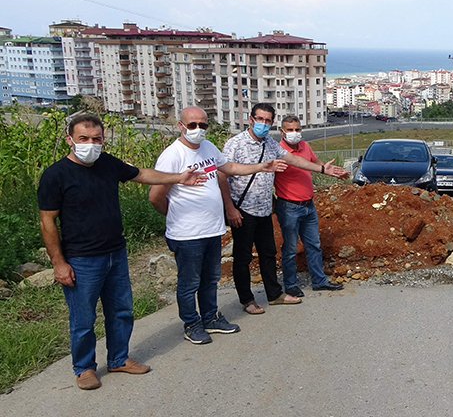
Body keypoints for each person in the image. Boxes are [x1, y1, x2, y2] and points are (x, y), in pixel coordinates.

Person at [38, 114, 207, 390]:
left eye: (96, 139)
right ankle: (84, 368)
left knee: (121, 311)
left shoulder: (107, 164)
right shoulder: (55, 175)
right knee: (83, 319)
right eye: (83, 139)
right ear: (70, 140)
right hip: (81, 259)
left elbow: (141, 174)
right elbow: (47, 221)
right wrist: (59, 263)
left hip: (115, 253)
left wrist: (178, 178)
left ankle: (118, 358)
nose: (90, 144)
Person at [149, 106, 288, 345]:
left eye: (202, 125)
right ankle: (192, 324)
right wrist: (174, 214)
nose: (198, 130)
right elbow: (155, 196)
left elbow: (230, 168)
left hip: (212, 229)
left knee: (210, 279)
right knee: (189, 282)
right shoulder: (173, 155)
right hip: (187, 233)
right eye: (192, 125)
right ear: (181, 126)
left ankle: (210, 317)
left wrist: (260, 166)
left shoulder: (208, 148)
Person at [219, 103, 348, 315]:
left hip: (264, 209)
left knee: (268, 253)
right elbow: (222, 175)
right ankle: (247, 299)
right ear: (251, 120)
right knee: (242, 257)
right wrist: (229, 208)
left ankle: (274, 294)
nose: (263, 123)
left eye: (267, 120)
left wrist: (323, 169)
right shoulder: (235, 144)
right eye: (259, 119)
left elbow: (295, 160)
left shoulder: (270, 144)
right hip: (242, 209)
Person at [274, 115, 344, 298]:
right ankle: (290, 284)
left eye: (297, 129)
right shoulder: (279, 151)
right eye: (290, 130)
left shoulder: (305, 146)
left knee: (314, 245)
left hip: (308, 204)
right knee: (290, 248)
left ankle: (319, 281)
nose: (294, 133)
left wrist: (331, 169)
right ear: (281, 132)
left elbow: (315, 162)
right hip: (289, 206)